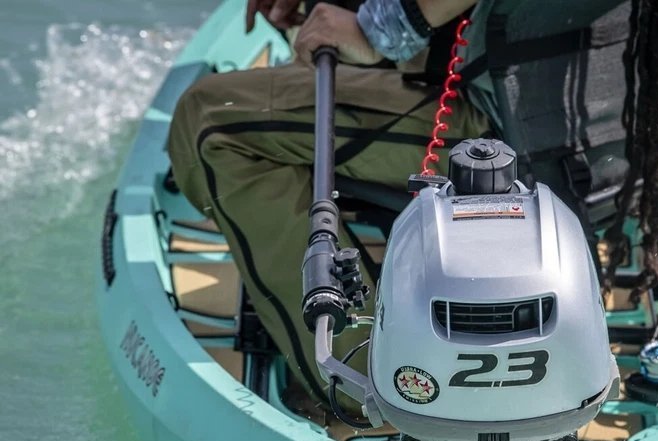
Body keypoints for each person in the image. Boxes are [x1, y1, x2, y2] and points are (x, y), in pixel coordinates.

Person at [168, 0, 492, 410]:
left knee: (208, 121)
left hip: (495, 123)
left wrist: (379, 30)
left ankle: (366, 380)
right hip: (542, 105)